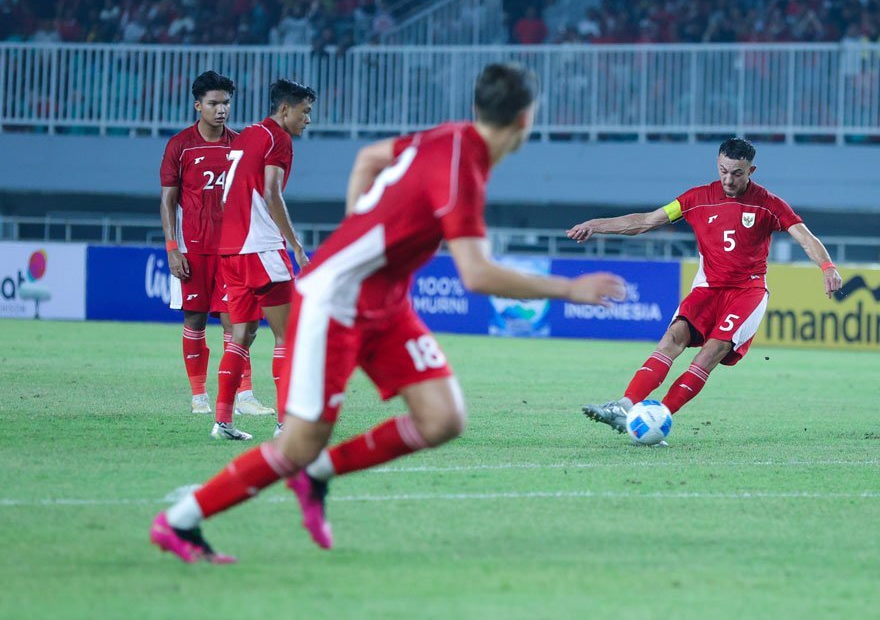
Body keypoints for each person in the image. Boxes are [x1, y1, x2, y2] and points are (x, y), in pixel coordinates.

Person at [150, 63, 626, 563]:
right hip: (333, 304)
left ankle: (319, 474)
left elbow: (370, 156)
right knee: (296, 447)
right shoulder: (462, 171)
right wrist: (570, 289)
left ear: (477, 110)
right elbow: (478, 275)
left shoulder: (450, 137)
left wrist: (363, 224)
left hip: (384, 302)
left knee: (442, 419)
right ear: (527, 120)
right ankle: (180, 522)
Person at [567, 138, 843, 441]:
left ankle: (659, 416)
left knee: (711, 352)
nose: (728, 179)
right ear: (717, 163)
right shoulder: (695, 198)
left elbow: (804, 237)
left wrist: (827, 267)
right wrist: (596, 224)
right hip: (708, 288)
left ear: (752, 170)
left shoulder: (768, 204)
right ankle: (624, 406)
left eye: (737, 173)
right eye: (723, 170)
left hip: (746, 293)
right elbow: (645, 221)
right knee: (673, 339)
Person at [159, 71, 271, 418]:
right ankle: (198, 396)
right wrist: (172, 248)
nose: (221, 109)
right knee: (194, 321)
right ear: (198, 105)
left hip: (233, 250)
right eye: (213, 103)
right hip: (193, 249)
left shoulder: (239, 147)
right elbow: (167, 201)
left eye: (225, 103)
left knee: (236, 322)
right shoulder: (180, 145)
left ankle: (245, 395)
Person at [209, 78, 315, 441]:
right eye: (305, 111)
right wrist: (296, 246)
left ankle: (222, 421)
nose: (308, 119)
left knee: (242, 334)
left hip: (231, 250)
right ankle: (287, 423)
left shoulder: (247, 135)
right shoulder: (278, 139)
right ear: (284, 109)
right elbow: (270, 192)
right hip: (262, 248)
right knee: (289, 335)